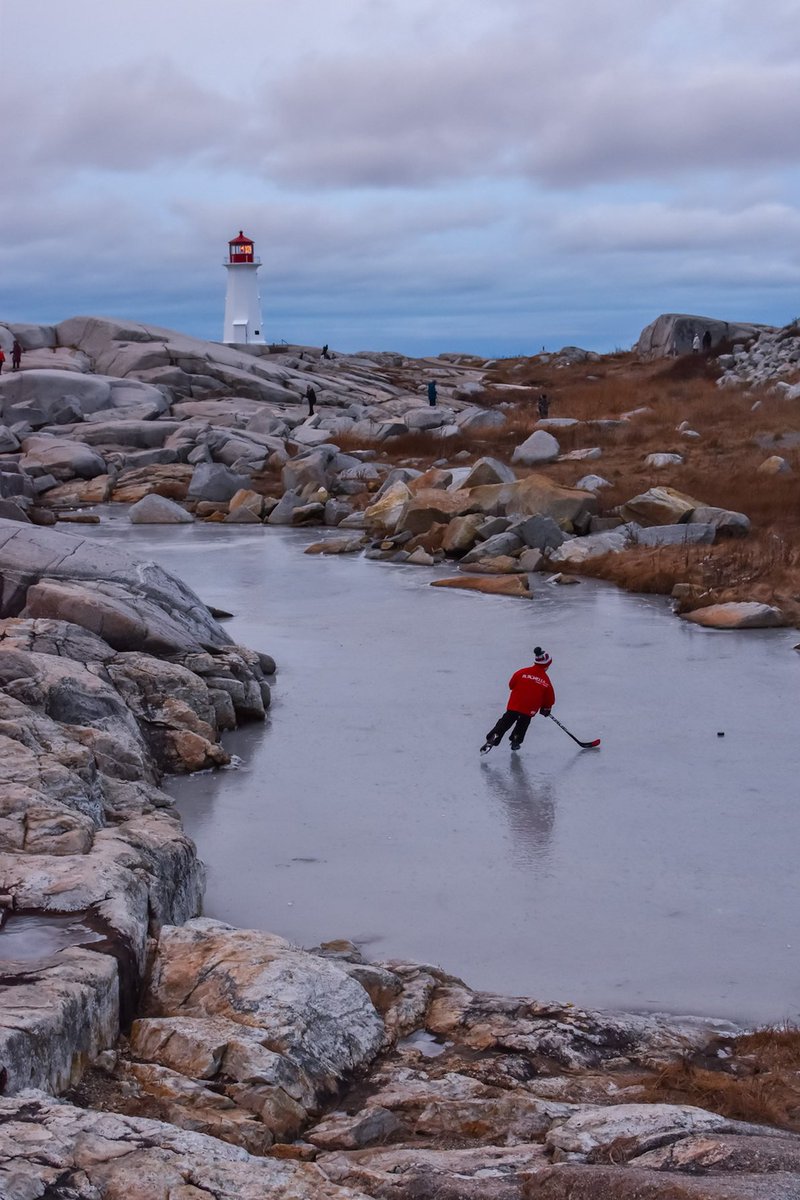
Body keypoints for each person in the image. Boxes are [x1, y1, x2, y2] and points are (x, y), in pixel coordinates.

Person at [481, 647, 556, 753]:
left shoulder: (521, 672)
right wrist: (546, 708)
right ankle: (516, 740)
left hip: (515, 704)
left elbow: (511, 685)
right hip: (530, 707)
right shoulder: (546, 680)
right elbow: (549, 698)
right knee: (523, 723)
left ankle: (494, 736)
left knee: (506, 721)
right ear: (547, 665)